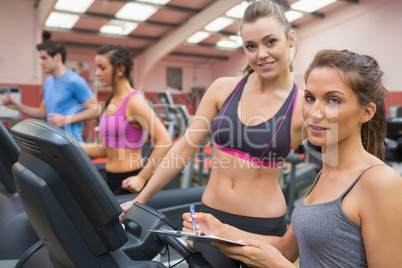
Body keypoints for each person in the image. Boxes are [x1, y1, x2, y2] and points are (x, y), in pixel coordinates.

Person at [120, 1, 305, 266]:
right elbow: (184, 147)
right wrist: (140, 200)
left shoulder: (303, 107)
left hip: (262, 226)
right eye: (251, 46)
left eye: (270, 42)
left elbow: (333, 171)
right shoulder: (223, 89)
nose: (261, 54)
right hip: (210, 219)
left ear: (290, 39)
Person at [183, 49, 402, 267]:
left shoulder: (380, 182)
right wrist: (221, 230)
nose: (314, 112)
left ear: (367, 112)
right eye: (309, 98)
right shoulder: (324, 175)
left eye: (333, 100)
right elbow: (286, 249)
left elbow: (283, 260)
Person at [82, 44, 172, 195]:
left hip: (129, 182)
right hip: (110, 178)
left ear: (121, 69)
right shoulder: (111, 101)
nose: (97, 73)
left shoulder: (134, 102)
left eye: (102, 68)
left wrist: (142, 178)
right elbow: (107, 149)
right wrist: (72, 146)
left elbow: (165, 141)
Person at [1, 40, 98, 143]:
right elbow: (43, 113)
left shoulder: (74, 80)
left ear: (57, 57)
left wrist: (65, 119)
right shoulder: (48, 82)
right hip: (52, 142)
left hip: (71, 143)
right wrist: (17, 106)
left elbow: (96, 110)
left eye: (44, 58)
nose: (41, 62)